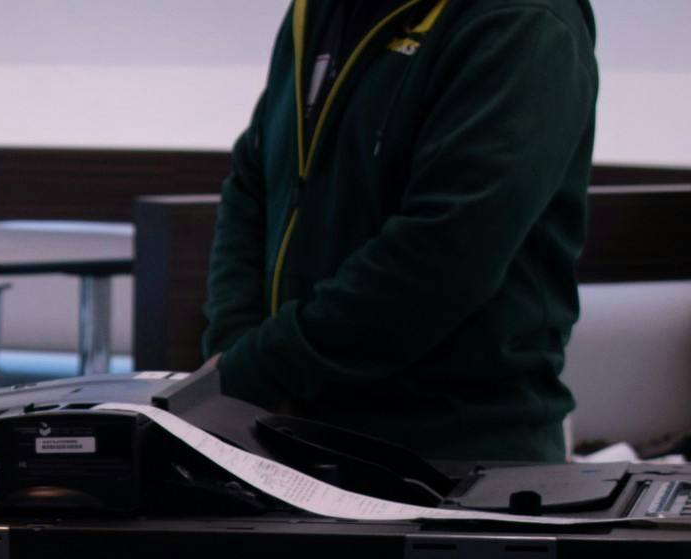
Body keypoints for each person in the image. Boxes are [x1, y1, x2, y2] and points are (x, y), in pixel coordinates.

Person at [203, 0, 599, 463]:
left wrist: (258, 369)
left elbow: (444, 253)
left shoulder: (522, 19)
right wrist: (234, 351)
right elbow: (254, 182)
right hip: (289, 434)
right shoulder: (318, 11)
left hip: (455, 456)